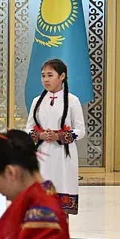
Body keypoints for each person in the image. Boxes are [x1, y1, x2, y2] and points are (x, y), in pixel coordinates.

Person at [25, 59, 85, 215]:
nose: (45, 79)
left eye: (50, 75)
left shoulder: (73, 101)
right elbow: (28, 129)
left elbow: (81, 130)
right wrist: (40, 135)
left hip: (64, 156)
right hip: (42, 155)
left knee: (62, 193)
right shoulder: (36, 101)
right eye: (43, 75)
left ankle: (61, 234)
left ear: (62, 76)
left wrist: (59, 136)